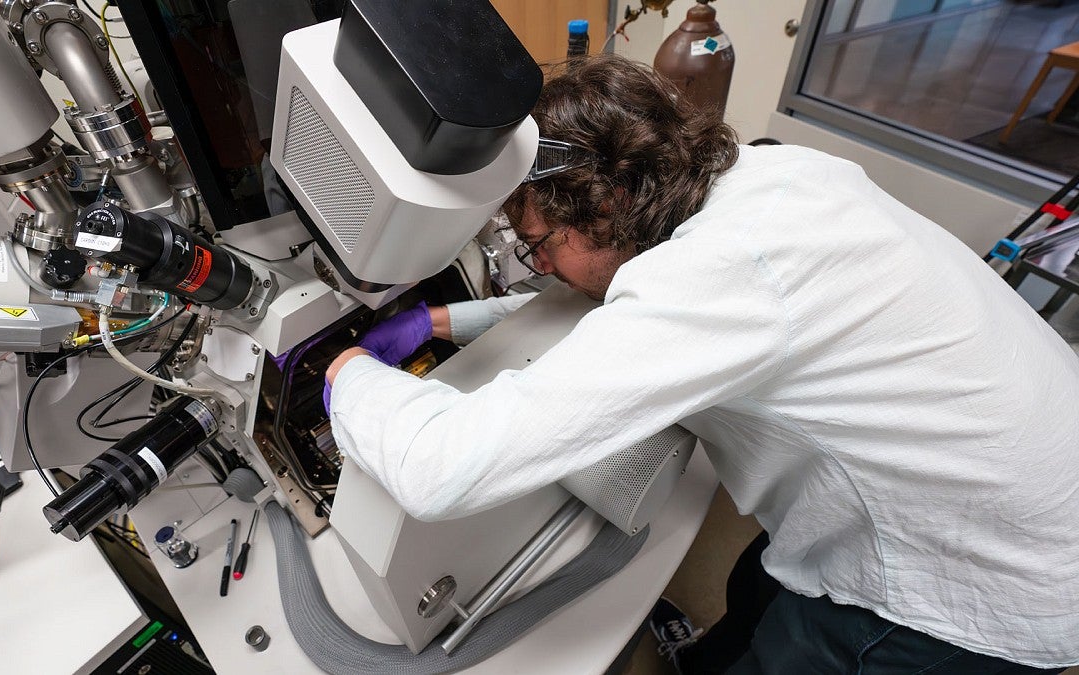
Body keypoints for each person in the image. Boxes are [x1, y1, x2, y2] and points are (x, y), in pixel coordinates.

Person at [323, 54, 1079, 673]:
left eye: (542, 243)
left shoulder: (719, 274)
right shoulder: (771, 175)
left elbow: (441, 466)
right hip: (1026, 476)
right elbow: (615, 305)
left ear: (610, 203)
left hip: (975, 583)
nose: (540, 267)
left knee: (808, 650)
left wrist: (347, 372)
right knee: (764, 582)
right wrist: (442, 319)